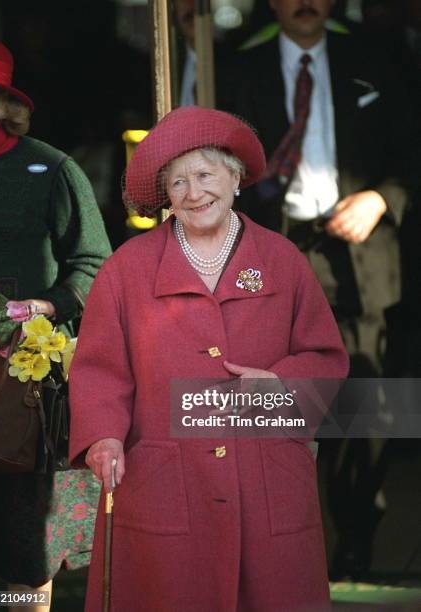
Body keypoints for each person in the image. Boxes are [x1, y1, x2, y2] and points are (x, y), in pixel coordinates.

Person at [69, 105, 348, 612]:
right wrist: (103, 437)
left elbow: (326, 357)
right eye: (177, 183)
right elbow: (98, 370)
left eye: (204, 174)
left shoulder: (282, 260)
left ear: (236, 176)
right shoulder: (126, 270)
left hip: (265, 477)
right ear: (165, 197)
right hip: (165, 485)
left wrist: (282, 386)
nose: (193, 193)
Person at [217, 0, 418, 580]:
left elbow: (411, 150)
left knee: (366, 404)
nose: (304, 3)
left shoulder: (376, 58)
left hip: (361, 253)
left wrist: (383, 199)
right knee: (275, 402)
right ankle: (280, 542)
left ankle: (357, 533)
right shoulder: (238, 67)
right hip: (277, 251)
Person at [0, 35, 112, 611]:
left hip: (22, 392)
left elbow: (95, 264)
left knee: (23, 545)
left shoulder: (50, 169)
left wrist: (48, 306)